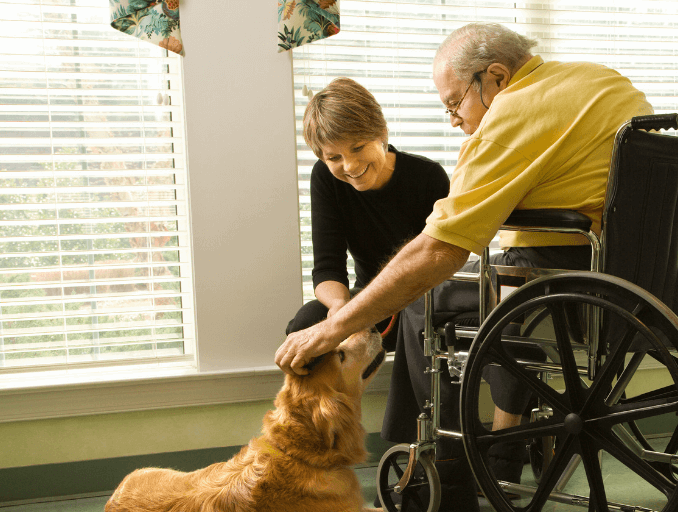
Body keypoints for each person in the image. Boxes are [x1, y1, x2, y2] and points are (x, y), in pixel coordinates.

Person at [276, 23, 654, 511]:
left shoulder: (512, 115)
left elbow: (438, 251)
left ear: (494, 78)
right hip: (632, 284)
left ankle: (433, 466)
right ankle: (490, 451)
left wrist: (338, 328)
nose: (454, 119)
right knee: (477, 292)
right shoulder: (604, 81)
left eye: (455, 103)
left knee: (422, 306)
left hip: (561, 284)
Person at [285, 77, 449, 342]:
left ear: (382, 133)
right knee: (305, 323)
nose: (349, 166)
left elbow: (438, 264)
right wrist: (340, 309)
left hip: (422, 304)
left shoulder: (428, 177)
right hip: (365, 302)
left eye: (357, 147)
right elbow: (327, 268)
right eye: (334, 157)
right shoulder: (326, 178)